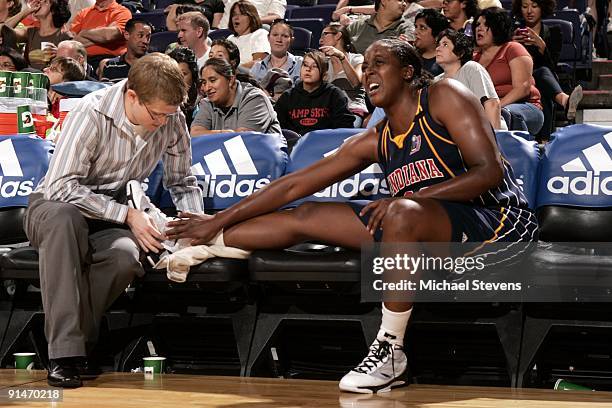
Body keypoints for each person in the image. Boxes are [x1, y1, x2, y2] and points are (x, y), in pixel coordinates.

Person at [166, 39, 537, 394]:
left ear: (409, 72)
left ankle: (391, 351)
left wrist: (412, 199)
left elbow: (487, 170)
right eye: (366, 65)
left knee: (402, 210)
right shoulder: (376, 137)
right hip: (416, 224)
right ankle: (196, 244)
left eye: (380, 64)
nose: (369, 72)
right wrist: (218, 219)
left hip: (500, 223)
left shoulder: (444, 96)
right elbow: (293, 186)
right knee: (306, 214)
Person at [24, 53, 203, 389]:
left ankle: (66, 338)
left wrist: (195, 227)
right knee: (65, 223)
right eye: (158, 115)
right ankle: (63, 356)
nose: (164, 122)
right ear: (132, 96)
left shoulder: (171, 117)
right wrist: (127, 215)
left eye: (170, 114)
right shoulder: (90, 112)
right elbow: (62, 187)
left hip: (112, 213)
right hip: (54, 206)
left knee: (126, 257)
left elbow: (182, 182)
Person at [511, 0, 583, 137]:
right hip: (518, 77)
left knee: (542, 76)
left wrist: (542, 46)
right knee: (540, 79)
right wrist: (511, 44)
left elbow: (552, 66)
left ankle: (544, 138)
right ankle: (564, 100)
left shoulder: (554, 32)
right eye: (525, 6)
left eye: (534, 6)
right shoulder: (513, 32)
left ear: (542, 7)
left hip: (543, 77)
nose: (529, 11)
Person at [473, 7, 544, 135]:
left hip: (525, 107)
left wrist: (495, 107)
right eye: (478, 24)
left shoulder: (512, 48)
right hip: (488, 110)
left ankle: (516, 152)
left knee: (504, 114)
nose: (479, 28)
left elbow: (523, 88)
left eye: (486, 24)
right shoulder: (473, 58)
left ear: (498, 27)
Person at [191, 57, 282, 135]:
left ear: (230, 80)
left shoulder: (255, 99)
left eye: (213, 80)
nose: (207, 88)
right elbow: (195, 134)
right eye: (204, 82)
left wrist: (210, 136)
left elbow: (242, 140)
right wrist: (226, 133)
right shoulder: (207, 103)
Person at [274, 50, 355, 135]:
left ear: (324, 73)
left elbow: (345, 128)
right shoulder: (288, 97)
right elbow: (277, 128)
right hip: (294, 145)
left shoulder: (334, 95)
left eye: (315, 66)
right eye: (305, 65)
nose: (308, 69)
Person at [435, 29, 504, 129]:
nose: (438, 48)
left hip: (484, 132)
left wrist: (495, 139)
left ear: (460, 53)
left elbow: (492, 104)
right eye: (438, 44)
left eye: (445, 44)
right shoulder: (435, 82)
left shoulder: (471, 69)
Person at [319, 22, 368, 120]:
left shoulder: (356, 58)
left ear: (338, 35)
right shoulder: (323, 62)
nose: (320, 39)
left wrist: (342, 57)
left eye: (325, 34)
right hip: (328, 111)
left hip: (352, 110)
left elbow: (356, 83)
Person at [67, 0, 132, 74]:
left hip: (109, 60)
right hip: (82, 59)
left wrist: (83, 33)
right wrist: (101, 36)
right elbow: (73, 42)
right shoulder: (84, 13)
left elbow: (108, 36)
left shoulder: (122, 12)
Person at [5, 0, 71, 70]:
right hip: (28, 78)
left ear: (54, 10)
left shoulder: (65, 37)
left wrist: (60, 54)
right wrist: (26, 11)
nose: (39, 3)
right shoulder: (29, 32)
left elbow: (71, 68)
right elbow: (3, 30)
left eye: (45, 1)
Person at [345, 0, 412, 54]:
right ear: (384, 1)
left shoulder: (407, 28)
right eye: (400, 0)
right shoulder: (358, 25)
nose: (404, 4)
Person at [250, 19, 302, 85]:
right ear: (268, 38)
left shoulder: (300, 64)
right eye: (275, 35)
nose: (279, 40)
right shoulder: (257, 67)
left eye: (285, 36)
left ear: (291, 40)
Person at [226, 0, 270, 68]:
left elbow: (259, 62)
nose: (236, 17)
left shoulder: (260, 34)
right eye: (234, 14)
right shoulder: (230, 38)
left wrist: (233, 71)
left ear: (251, 17)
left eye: (242, 14)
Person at [168, 46, 199, 127]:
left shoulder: (203, 104)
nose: (178, 79)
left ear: (193, 75)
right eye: (174, 74)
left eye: (183, 74)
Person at [414, 8, 449, 75]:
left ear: (437, 34)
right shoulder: (412, 56)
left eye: (422, 28)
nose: (415, 32)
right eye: (416, 27)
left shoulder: (445, 61)